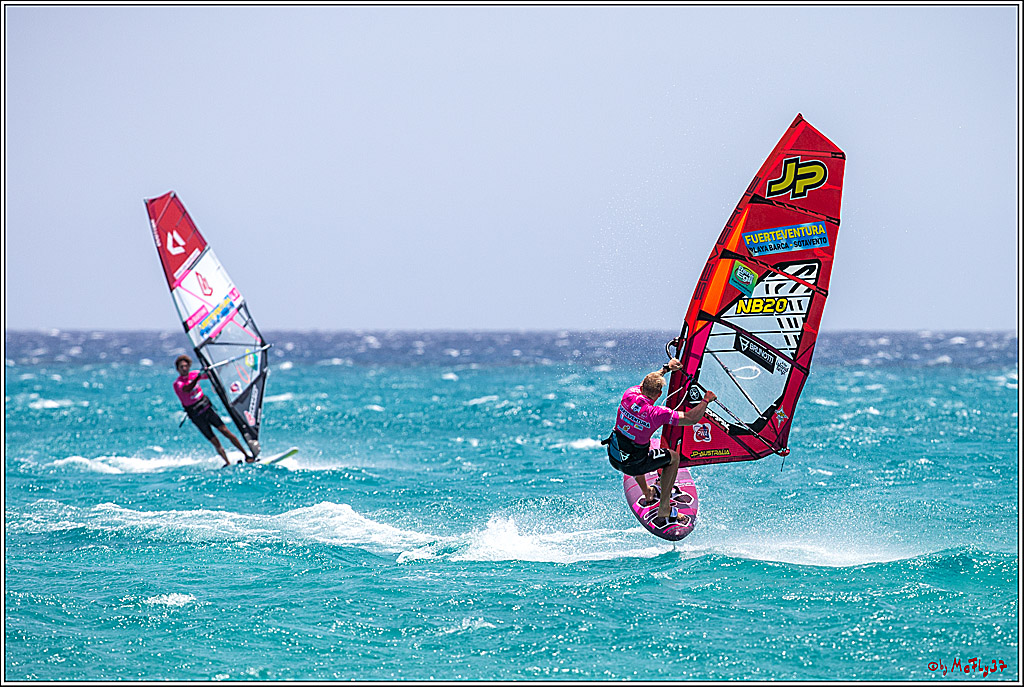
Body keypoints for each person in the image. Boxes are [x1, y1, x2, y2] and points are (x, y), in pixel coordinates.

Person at [603, 358, 716, 529]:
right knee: (673, 457)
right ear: (659, 394)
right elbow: (692, 418)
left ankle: (648, 493)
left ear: (641, 389)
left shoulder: (629, 394)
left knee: (635, 443)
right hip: (635, 464)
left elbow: (645, 382)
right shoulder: (658, 413)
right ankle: (664, 508)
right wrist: (706, 400)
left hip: (615, 457)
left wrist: (666, 369)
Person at [173, 354, 255, 466]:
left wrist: (220, 366)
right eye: (181, 367)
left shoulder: (194, 374)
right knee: (215, 441)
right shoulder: (178, 383)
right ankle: (227, 463)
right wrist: (198, 377)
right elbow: (187, 389)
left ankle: (247, 455)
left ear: (189, 366)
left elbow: (213, 375)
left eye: (186, 366)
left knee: (226, 432)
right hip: (196, 416)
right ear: (177, 369)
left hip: (207, 410)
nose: (184, 368)